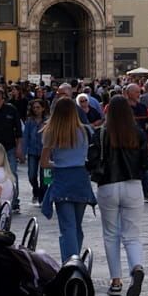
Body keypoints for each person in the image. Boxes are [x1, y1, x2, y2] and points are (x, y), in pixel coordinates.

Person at [93, 95, 148, 296]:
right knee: (132, 234)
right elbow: (145, 163)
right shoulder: (138, 133)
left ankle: (116, 281)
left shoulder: (101, 133)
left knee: (111, 234)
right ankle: (136, 267)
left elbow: (91, 161)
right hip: (133, 185)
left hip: (108, 185)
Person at [41, 97, 96, 261]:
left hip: (62, 179)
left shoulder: (51, 132)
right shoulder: (85, 131)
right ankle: (75, 260)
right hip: (81, 178)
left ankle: (70, 263)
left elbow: (44, 163)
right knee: (77, 226)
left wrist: (57, 163)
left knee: (67, 227)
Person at [125, 84, 148, 202]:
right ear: (129, 93)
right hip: (129, 142)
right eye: (136, 92)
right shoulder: (124, 108)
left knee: (145, 167)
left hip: (143, 143)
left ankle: (146, 191)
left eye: (139, 92)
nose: (139, 94)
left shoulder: (142, 107)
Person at [23, 99, 46, 204]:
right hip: (32, 151)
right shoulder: (29, 121)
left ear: (43, 108)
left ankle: (43, 197)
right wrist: (23, 152)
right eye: (34, 107)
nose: (36, 110)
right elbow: (25, 137)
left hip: (45, 152)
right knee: (31, 175)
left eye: (38, 107)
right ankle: (36, 191)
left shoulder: (48, 121)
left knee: (45, 177)